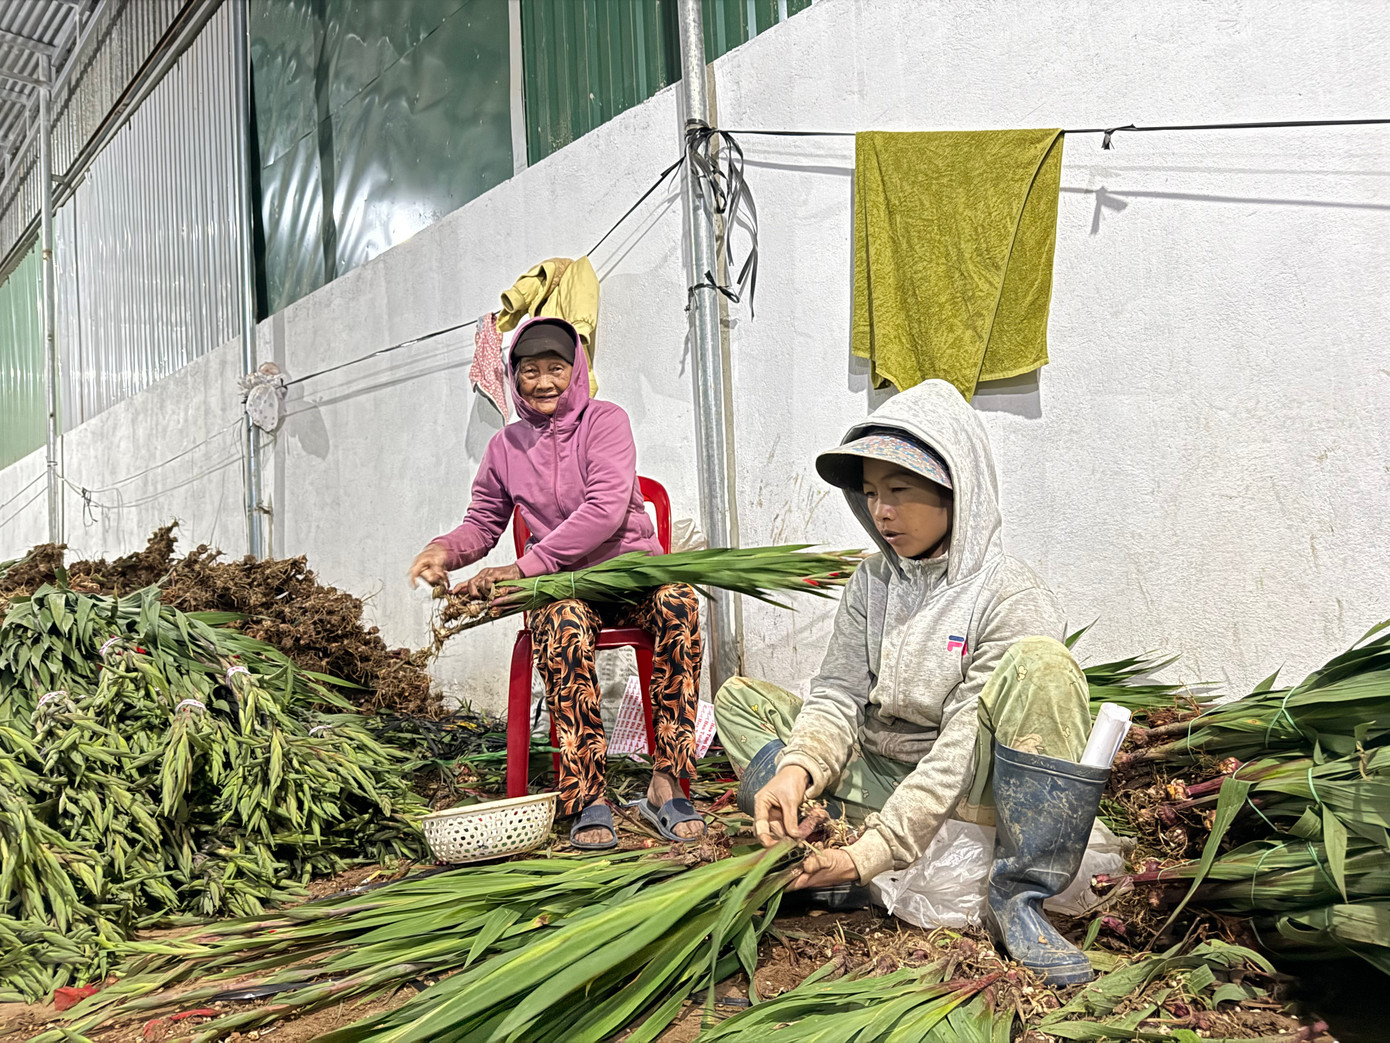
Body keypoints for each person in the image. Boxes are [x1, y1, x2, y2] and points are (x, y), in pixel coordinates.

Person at [713, 379, 1105, 986]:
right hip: (880, 768)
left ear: (957, 491)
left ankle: (1017, 902)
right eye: (869, 493)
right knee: (742, 703)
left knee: (1043, 667)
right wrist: (796, 773)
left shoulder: (1007, 594)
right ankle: (832, 829)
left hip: (970, 786)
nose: (881, 511)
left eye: (899, 490)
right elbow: (838, 694)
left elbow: (959, 746)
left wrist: (870, 851)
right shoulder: (873, 582)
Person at [410, 317, 705, 849]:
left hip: (630, 577)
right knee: (561, 623)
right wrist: (444, 551)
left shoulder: (606, 421)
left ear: (576, 373)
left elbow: (607, 509)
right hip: (566, 590)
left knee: (680, 605)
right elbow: (482, 523)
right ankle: (587, 795)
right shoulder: (505, 448)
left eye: (555, 369)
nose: (543, 382)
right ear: (514, 377)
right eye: (529, 371)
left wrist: (525, 566)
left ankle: (668, 780)